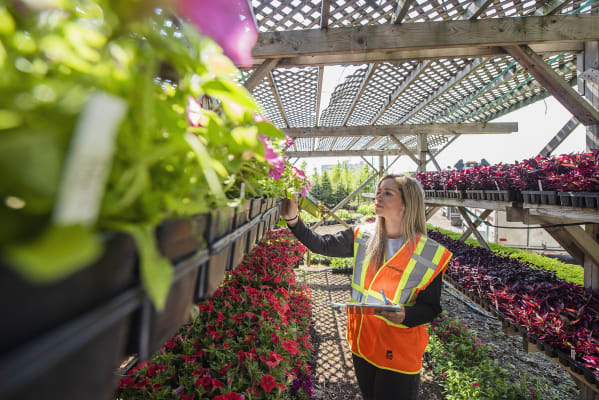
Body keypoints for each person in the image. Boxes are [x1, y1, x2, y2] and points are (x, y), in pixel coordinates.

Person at [281, 175, 452, 400]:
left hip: (399, 351)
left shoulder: (430, 253)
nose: (378, 196)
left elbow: (431, 308)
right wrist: (293, 219)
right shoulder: (363, 235)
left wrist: (406, 315)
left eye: (387, 192)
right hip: (363, 344)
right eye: (378, 191)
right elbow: (320, 244)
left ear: (407, 203)